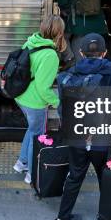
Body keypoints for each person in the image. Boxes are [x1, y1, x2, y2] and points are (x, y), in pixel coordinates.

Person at [51, 33, 111, 220]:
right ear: (104, 53)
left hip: (76, 138)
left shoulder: (71, 75)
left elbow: (63, 109)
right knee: (106, 180)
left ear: (80, 53)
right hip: (101, 141)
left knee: (74, 176)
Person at [12, 15, 67, 184]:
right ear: (59, 33)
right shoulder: (50, 55)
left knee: (32, 129)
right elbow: (44, 88)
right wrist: (57, 102)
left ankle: (22, 163)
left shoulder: (31, 42)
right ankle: (32, 174)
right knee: (37, 135)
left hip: (21, 95)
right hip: (35, 102)